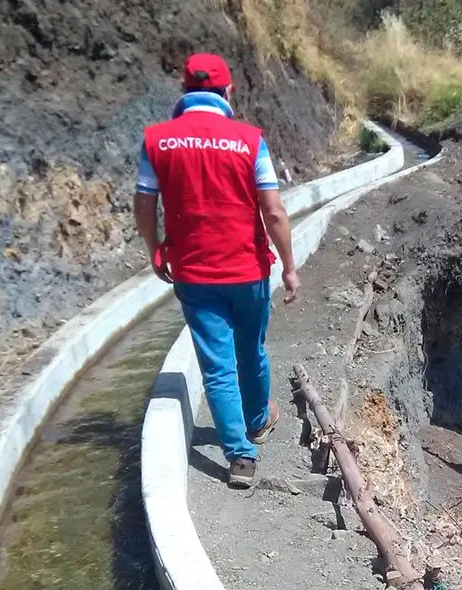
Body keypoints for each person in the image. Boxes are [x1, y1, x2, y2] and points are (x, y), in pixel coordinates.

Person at [133, 53, 301, 488]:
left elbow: (144, 205)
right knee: (252, 350)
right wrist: (289, 267)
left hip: (194, 273)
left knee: (217, 366)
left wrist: (155, 250)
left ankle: (240, 458)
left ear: (185, 91)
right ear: (228, 91)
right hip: (248, 269)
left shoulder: (157, 141)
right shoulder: (249, 140)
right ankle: (258, 420)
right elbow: (274, 212)